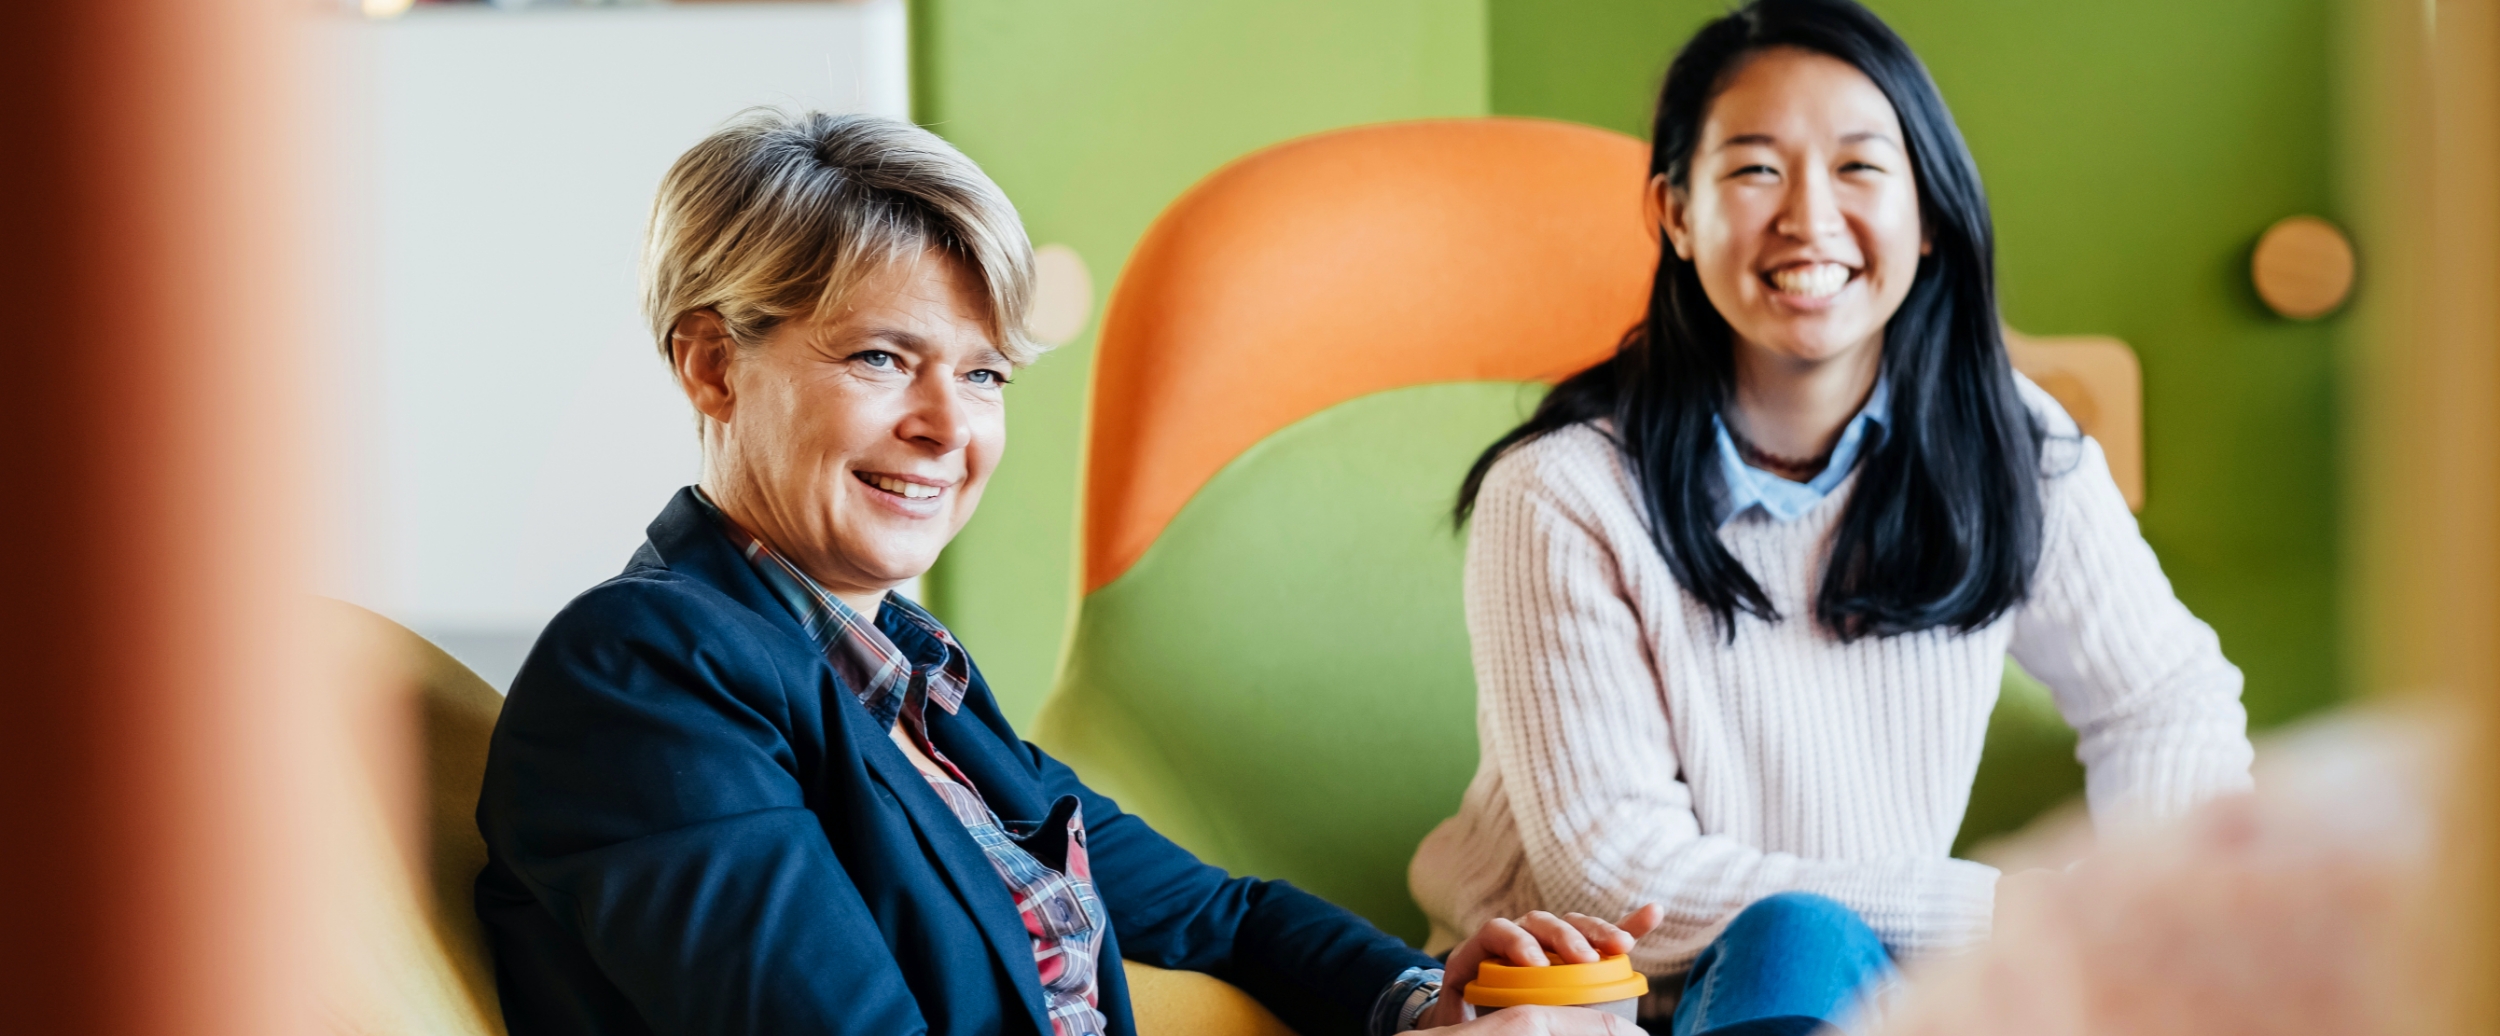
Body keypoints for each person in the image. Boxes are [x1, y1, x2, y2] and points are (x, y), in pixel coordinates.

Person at [472, 109, 1652, 1036]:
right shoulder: (644, 679)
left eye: (985, 376)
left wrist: (1424, 999)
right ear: (714, 367)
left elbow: (1217, 914)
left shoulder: (912, 678)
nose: (950, 426)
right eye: (885, 357)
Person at [1407, 2, 2257, 1033]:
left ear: (1927, 213)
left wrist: (2141, 906)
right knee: (1794, 937)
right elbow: (1617, 876)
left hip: (1881, 983)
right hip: (1593, 1002)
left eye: (1859, 168)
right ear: (1676, 213)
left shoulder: (2010, 444)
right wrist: (2018, 908)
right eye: (1755, 169)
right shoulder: (1561, 493)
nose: (1807, 218)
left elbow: (2165, 699)